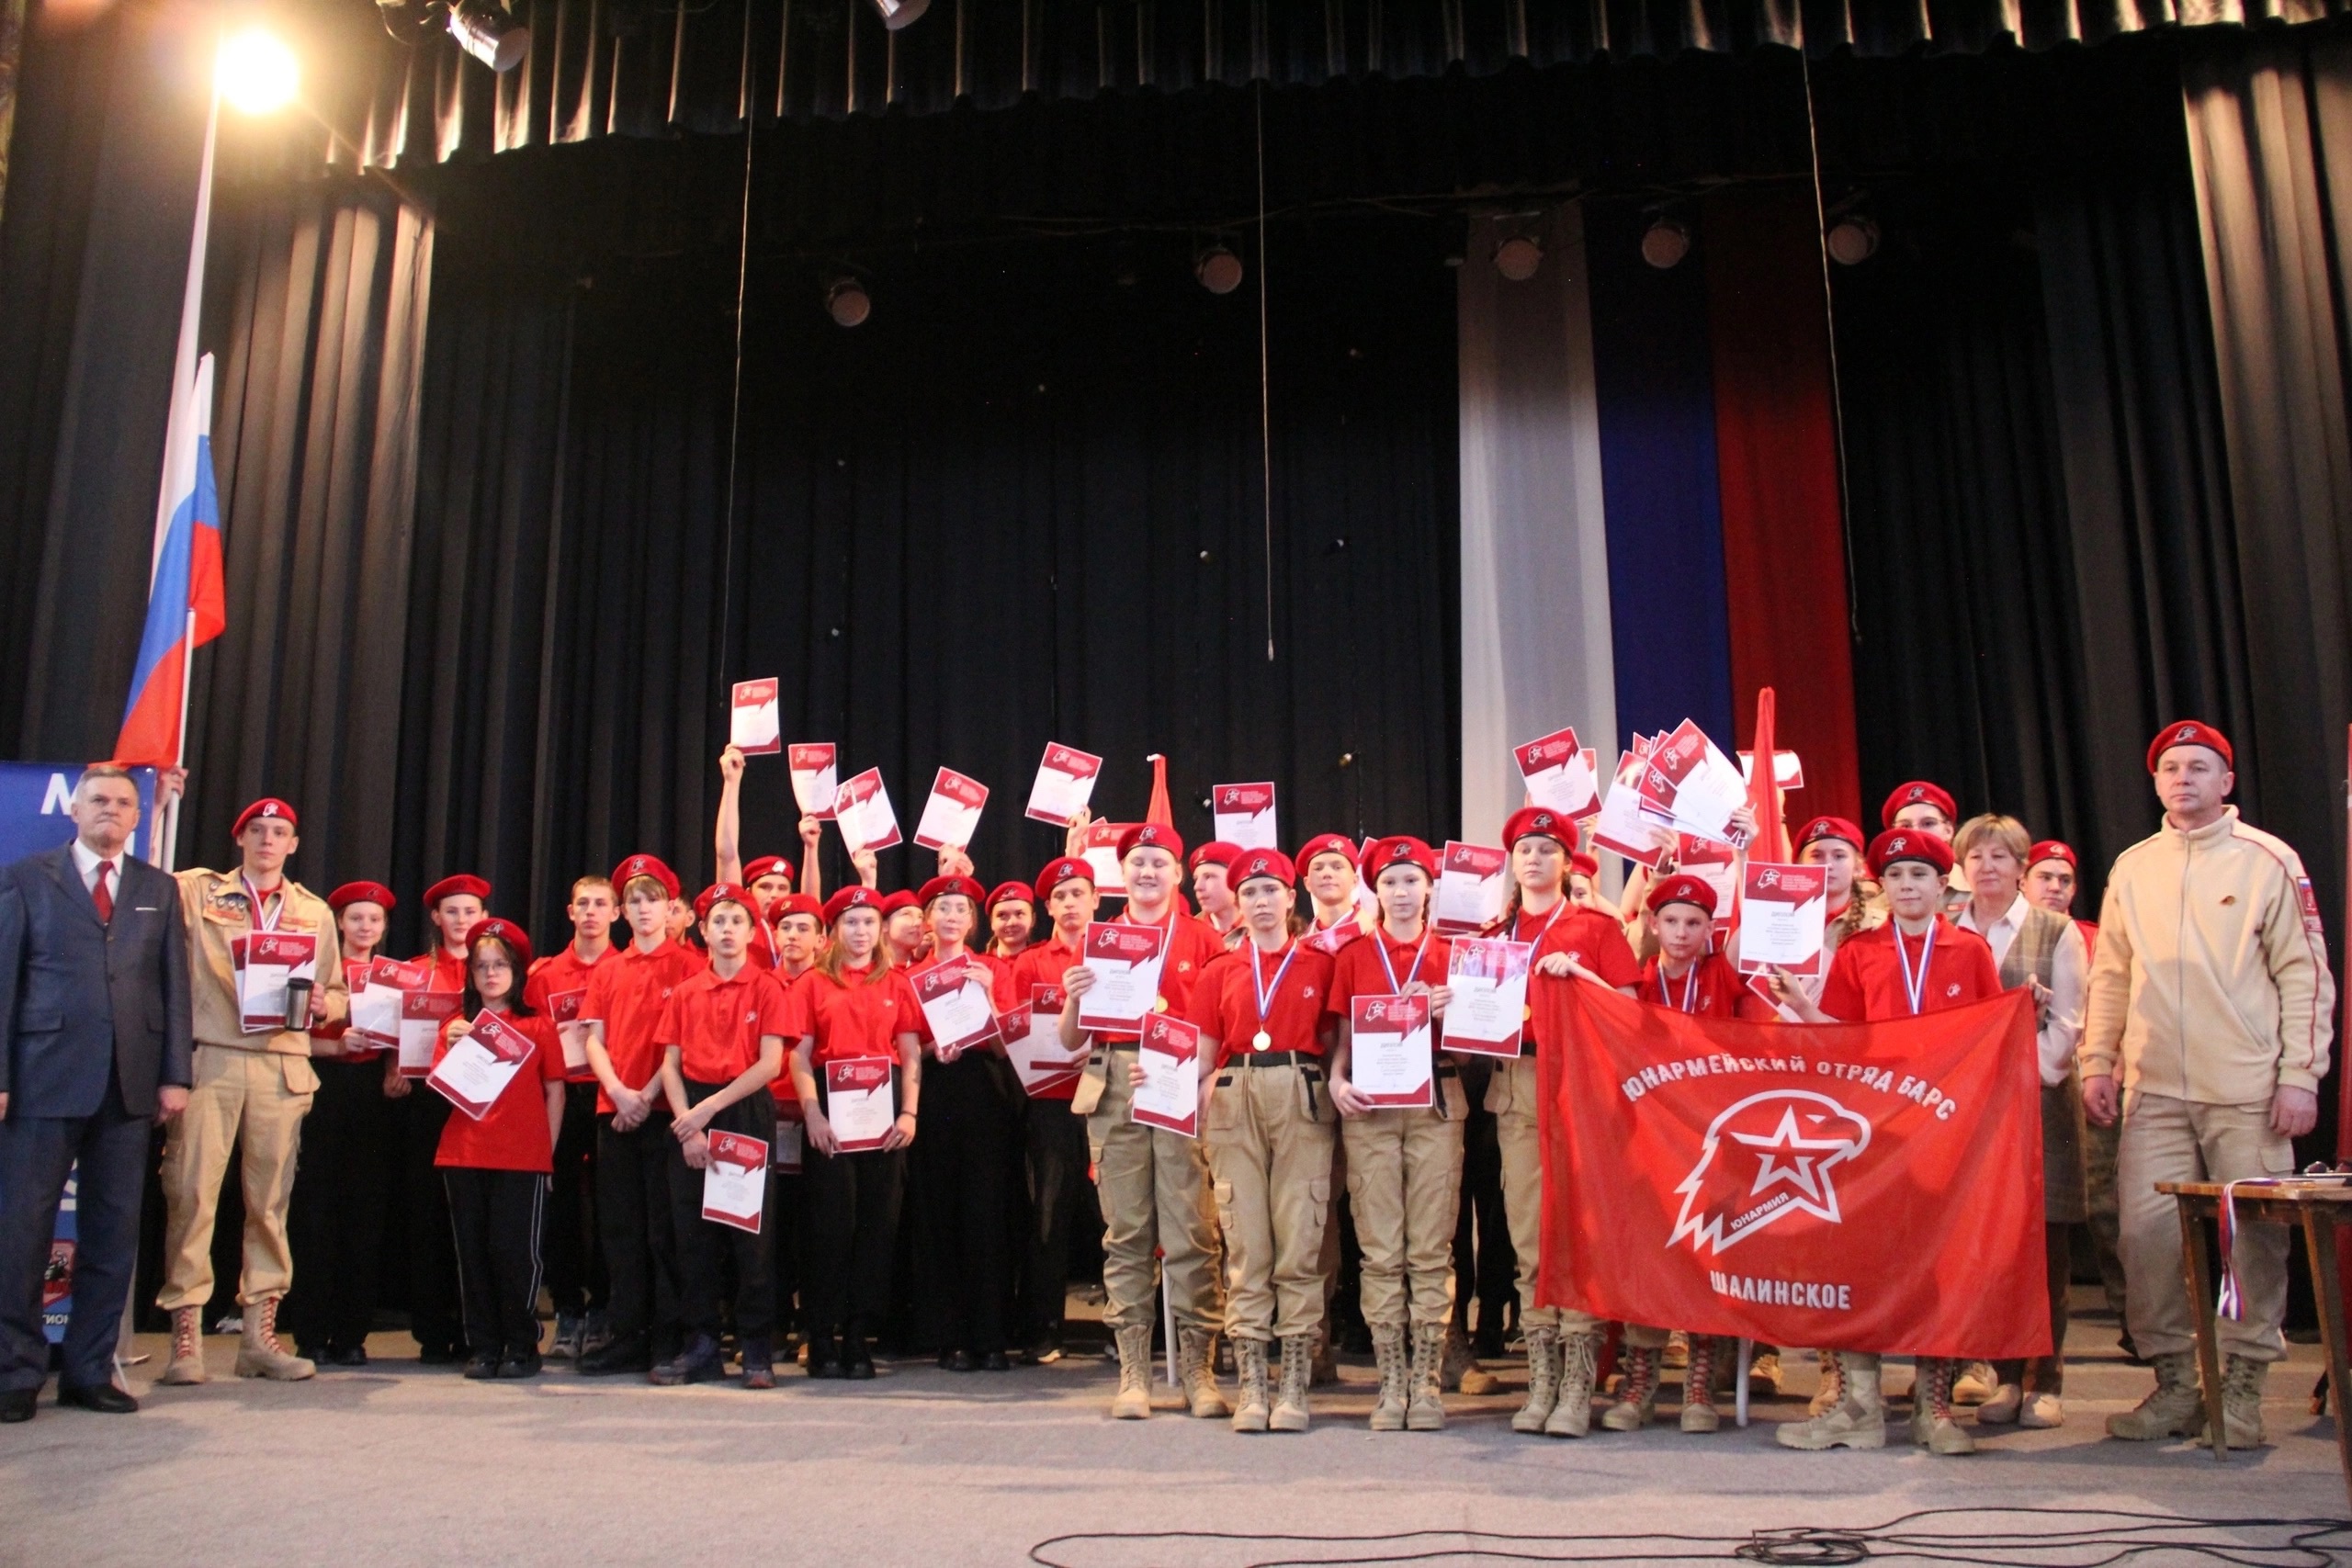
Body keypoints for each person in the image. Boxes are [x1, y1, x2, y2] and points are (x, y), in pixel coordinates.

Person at [2085, 721, 2334, 1449]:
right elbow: (2111, 974)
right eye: (2169, 767)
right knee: (2146, 1234)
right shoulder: (2135, 865)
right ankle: (2178, 1382)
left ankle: (2244, 1386)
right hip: (2155, 1087)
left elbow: (2304, 974)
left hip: (2248, 1088)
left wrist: (2299, 1076)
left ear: (2227, 782)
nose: (2182, 777)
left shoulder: (2268, 860)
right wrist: (2098, 1060)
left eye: (2199, 766)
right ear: (2156, 781)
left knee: (2252, 1239)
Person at [1769, 828, 2003, 1455]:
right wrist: (1801, 1008)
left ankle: (1935, 1408)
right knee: (1858, 1261)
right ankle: (1859, 1407)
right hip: (1872, 1131)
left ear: (1941, 885)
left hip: (1945, 1132)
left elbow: (1990, 1038)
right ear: (1883, 885)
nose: (1907, 887)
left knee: (1940, 1266)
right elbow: (1840, 1036)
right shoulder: (1860, 950)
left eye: (1920, 876)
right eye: (1896, 876)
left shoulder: (1970, 950)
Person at [0, 764, 192, 1420]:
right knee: (21, 1232)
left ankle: (89, 1369)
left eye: (124, 802)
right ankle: (16, 1371)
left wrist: (175, 1073)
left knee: (112, 1235)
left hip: (129, 1085)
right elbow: (4, 983)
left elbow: (174, 988)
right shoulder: (27, 878)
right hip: (41, 1080)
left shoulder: (158, 889)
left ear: (139, 818)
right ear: (76, 810)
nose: (112, 809)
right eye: (100, 799)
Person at [158, 797, 346, 1386]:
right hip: (212, 1055)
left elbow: (337, 994)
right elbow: (145, 867)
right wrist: (159, 801)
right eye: (257, 831)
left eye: (280, 832)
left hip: (281, 1065)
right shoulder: (198, 891)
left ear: (293, 844)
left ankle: (259, 1337)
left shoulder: (313, 911)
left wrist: (324, 1004)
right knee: (192, 1194)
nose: (268, 840)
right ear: (239, 839)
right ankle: (185, 1338)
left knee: (270, 1204)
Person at [1058, 822, 1227, 1420]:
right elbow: (1071, 1037)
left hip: (1180, 1082)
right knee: (1126, 1233)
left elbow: (1223, 1024)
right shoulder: (1098, 938)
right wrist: (1076, 993)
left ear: (1177, 874)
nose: (1147, 871)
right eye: (1137, 862)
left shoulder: (1204, 938)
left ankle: (1200, 1370)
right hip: (1113, 1086)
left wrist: (1202, 1079)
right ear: (1121, 873)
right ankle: (1134, 1369)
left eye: (1159, 861)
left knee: (1191, 1231)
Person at [1487, 808, 1639, 1438]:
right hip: (1519, 1082)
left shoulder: (1595, 927)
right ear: (1513, 861)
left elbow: (1630, 1010)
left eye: (1548, 849)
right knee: (1528, 1231)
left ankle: (1578, 1381)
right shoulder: (1494, 934)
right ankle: (1542, 1377)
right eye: (1525, 848)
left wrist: (1583, 974)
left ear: (1568, 862)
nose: (1535, 858)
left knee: (1578, 1227)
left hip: (1580, 1079)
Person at [1174, 849, 1338, 1432]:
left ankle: (1292, 1382)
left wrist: (1337, 1078)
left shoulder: (1320, 963)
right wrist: (1170, 1087)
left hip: (1301, 1091)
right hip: (1234, 1092)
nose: (1261, 903)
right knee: (1246, 1246)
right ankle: (1251, 1387)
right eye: (1249, 894)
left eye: (1271, 892)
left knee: (1300, 1239)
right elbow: (1203, 1051)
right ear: (1236, 905)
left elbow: (1337, 1036)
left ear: (1290, 899)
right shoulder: (1221, 969)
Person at [1608, 873, 1770, 1435]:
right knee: (1650, 1255)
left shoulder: (1726, 975)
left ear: (1709, 929)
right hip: (1651, 1139)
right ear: (1652, 924)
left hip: (1715, 1141)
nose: (1681, 933)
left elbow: (1762, 1043)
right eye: (1671, 921)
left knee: (1710, 1254)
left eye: (1694, 923)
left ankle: (1700, 1383)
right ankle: (1641, 1381)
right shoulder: (1637, 979)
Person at [1952, 813, 2087, 1428]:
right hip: (1964, 1114)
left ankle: (2045, 1379)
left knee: (2043, 1246)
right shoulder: (1944, 928)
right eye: (1976, 856)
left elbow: (2067, 1029)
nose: (1987, 867)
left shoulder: (2055, 931)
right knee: (1989, 1247)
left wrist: (2013, 1075)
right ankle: (2003, 1375)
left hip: (2036, 1105)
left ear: (2020, 866)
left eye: (2000, 857)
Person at [1324, 836, 1459, 1432]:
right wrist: (1334, 1080)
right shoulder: (1353, 953)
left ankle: (1427, 1378)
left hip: (1436, 1101)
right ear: (1374, 892)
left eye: (1411, 881)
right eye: (1390, 883)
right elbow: (1343, 1039)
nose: (1401, 892)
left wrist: (1449, 1012)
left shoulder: (1455, 954)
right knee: (1380, 1249)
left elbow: (1486, 1044)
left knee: (1430, 1248)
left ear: (1429, 888)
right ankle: (1392, 1379)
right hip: (1373, 1107)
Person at [654, 886, 792, 1387]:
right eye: (719, 921)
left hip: (743, 1110)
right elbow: (669, 1064)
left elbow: (771, 1062)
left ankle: (755, 1346)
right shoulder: (686, 991)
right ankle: (702, 1344)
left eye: (738, 920)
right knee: (693, 1238)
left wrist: (709, 1110)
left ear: (753, 933)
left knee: (750, 1237)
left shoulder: (767, 987)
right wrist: (688, 1122)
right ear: (703, 931)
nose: (728, 929)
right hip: (690, 1111)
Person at [576, 854, 706, 1375]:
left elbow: (681, 1047)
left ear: (671, 907)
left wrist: (645, 1095)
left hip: (665, 1115)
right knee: (621, 1230)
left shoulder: (690, 965)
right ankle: (628, 1332)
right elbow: (594, 1039)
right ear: (623, 910)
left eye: (654, 899)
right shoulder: (609, 968)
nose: (644, 908)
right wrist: (618, 1092)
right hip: (617, 1112)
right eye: (634, 899)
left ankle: (668, 1336)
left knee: (667, 1230)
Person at [791, 886, 922, 1380]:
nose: (861, 931)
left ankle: (857, 1336)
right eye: (851, 922)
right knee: (829, 1227)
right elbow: (799, 1055)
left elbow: (909, 1054)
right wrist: (812, 1114)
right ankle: (821, 1334)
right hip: (830, 1107)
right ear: (834, 932)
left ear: (880, 929)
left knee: (876, 1226)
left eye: (869, 921)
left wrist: (908, 1113)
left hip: (883, 1109)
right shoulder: (811, 984)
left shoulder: (898, 982)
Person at [433, 919, 567, 1380]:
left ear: (517, 971)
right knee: (473, 1253)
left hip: (523, 1156)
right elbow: (443, 1088)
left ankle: (521, 1343)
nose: (491, 975)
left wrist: (547, 1153)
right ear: (470, 974)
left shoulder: (538, 1025)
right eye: (482, 967)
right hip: (464, 1153)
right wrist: (455, 1045)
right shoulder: (455, 1027)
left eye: (501, 965)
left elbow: (556, 1091)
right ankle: (484, 1344)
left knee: (516, 1252)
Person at [286, 881, 400, 1367]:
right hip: (321, 1088)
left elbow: (409, 1039)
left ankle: (353, 1333)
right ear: (338, 923)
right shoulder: (313, 973)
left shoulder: (398, 976)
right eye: (356, 918)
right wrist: (335, 1045)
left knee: (365, 1215)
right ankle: (310, 1332)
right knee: (314, 1213)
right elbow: (287, 1037)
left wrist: (395, 1068)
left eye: (374, 920)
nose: (365, 927)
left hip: (374, 1096)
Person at [909, 874, 1018, 1371]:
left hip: (986, 1096)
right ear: (928, 920)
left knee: (987, 1215)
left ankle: (991, 1336)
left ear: (973, 922)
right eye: (942, 908)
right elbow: (904, 1049)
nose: (951, 917)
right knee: (941, 1213)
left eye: (960, 910)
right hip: (934, 1093)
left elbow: (1006, 1048)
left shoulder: (993, 968)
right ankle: (950, 1337)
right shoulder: (908, 976)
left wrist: (991, 997)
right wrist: (936, 1048)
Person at [2028, 838, 2131, 1343]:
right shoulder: (2012, 938)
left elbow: (2118, 1002)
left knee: (2107, 1206)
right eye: (2044, 877)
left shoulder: (2092, 936)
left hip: (2093, 1079)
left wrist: (2109, 1067)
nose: (2055, 888)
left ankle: (2136, 1321)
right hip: (2041, 1087)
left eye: (2064, 879)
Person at [1003, 857, 1096, 1363]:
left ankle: (1132, 1328)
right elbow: (1017, 1031)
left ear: (1095, 899)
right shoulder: (1031, 962)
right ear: (1049, 907)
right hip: (1051, 1104)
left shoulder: (1117, 948)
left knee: (1121, 1215)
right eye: (1059, 897)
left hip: (1110, 1098)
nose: (1069, 904)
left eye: (1077, 894)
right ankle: (1045, 1328)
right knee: (1049, 1217)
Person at [523, 875, 619, 1360]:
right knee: (559, 1209)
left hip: (609, 1098)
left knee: (609, 1209)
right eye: (583, 903)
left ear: (616, 914)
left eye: (601, 904)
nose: (591, 912)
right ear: (569, 911)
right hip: (559, 1098)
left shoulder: (625, 969)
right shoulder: (544, 975)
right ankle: (567, 1311)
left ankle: (603, 1309)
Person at [397, 874, 488, 1365]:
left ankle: (475, 1326)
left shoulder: (494, 970)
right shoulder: (414, 973)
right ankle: (434, 1330)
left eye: (470, 911)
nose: (460, 920)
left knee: (472, 1216)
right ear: (436, 918)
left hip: (478, 1100)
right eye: (451, 912)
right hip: (427, 1099)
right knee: (428, 1214)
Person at [1190, 842, 1244, 947]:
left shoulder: (1261, 929)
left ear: (1237, 879)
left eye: (1209, 877)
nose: (1197, 887)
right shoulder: (1188, 933)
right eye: (1196, 879)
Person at [986, 882, 1035, 963]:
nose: (1011, 923)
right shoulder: (980, 966)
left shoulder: (1046, 963)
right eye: (1002, 915)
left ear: (1033, 919)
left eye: (1019, 914)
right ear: (992, 922)